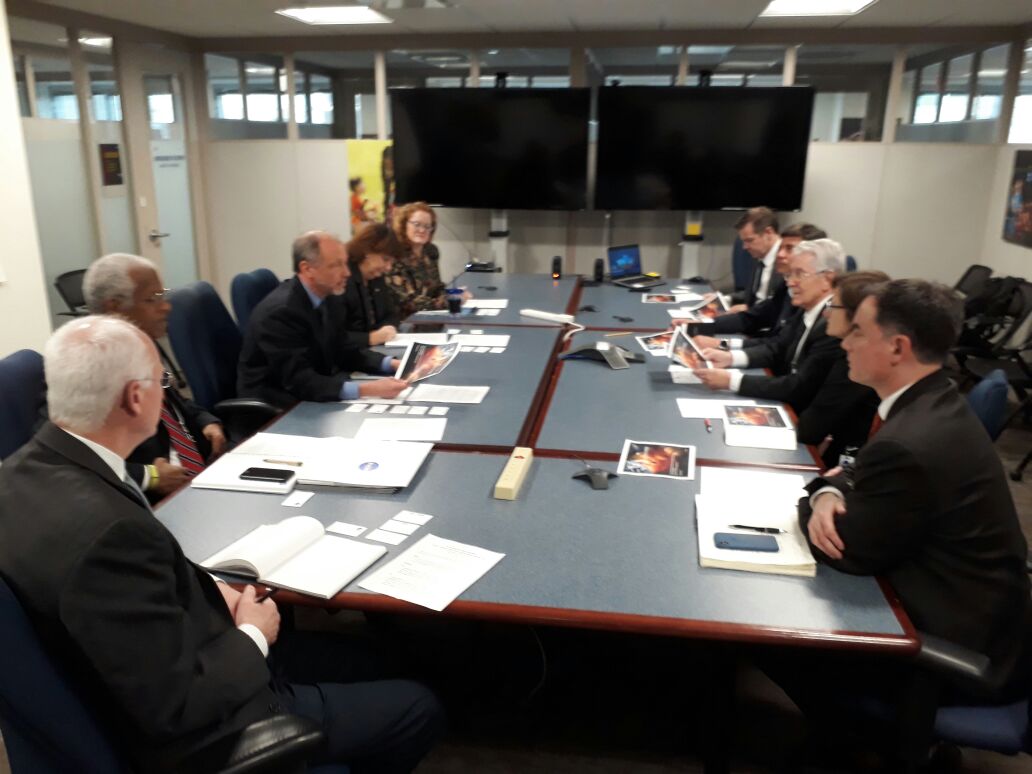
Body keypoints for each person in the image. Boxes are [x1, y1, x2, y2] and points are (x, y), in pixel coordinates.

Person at [0, 316, 445, 773]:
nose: (166, 392)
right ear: (135, 397)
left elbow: (119, 602)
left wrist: (210, 588)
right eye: (162, 382)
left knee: (377, 658)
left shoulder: (18, 475)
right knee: (418, 706)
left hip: (159, 652)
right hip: (213, 724)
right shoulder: (110, 533)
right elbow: (174, 704)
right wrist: (253, 634)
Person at [775, 280, 1031, 764]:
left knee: (770, 634)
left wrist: (816, 498)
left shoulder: (909, 439)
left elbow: (845, 549)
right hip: (987, 617)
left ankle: (850, 743)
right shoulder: (932, 401)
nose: (845, 343)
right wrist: (831, 489)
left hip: (954, 650)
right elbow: (856, 471)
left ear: (897, 347)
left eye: (857, 332)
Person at [695, 239, 877, 465]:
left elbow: (808, 413)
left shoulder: (838, 339)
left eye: (799, 274)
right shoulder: (807, 309)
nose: (790, 282)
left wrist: (731, 380)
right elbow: (778, 348)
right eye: (790, 274)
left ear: (827, 279)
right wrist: (727, 354)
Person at [82, 252, 225, 500]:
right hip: (151, 500)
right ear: (114, 308)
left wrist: (205, 421)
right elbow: (74, 456)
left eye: (163, 295)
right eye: (152, 299)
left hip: (198, 474)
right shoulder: (83, 369)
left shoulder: (141, 344)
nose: (166, 306)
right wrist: (149, 476)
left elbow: (171, 403)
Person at [238, 231, 408, 409]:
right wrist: (367, 390)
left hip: (312, 392)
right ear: (307, 269)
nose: (347, 273)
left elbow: (344, 349)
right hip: (278, 407)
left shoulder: (328, 296)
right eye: (336, 265)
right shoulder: (281, 313)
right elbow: (299, 381)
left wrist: (392, 364)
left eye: (345, 263)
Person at [693, 222, 826, 345]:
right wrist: (698, 326)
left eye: (790, 249)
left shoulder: (823, 313)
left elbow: (778, 346)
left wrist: (722, 344)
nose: (780, 254)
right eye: (780, 248)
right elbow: (753, 318)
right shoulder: (786, 287)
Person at [384, 202, 468, 318]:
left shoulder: (430, 252)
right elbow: (408, 303)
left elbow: (437, 288)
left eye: (427, 226)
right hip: (403, 322)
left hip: (429, 317)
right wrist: (447, 301)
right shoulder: (394, 255)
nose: (422, 230)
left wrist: (454, 294)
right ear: (404, 225)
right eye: (417, 224)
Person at [340, 222, 405, 347]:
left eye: (392, 262)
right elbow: (333, 336)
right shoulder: (343, 279)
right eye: (385, 259)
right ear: (367, 251)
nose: (389, 268)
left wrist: (387, 329)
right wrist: (370, 338)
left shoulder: (376, 277)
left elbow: (391, 314)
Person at [727, 207, 782, 313]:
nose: (744, 247)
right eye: (744, 241)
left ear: (768, 232)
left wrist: (750, 309)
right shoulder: (759, 255)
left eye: (749, 240)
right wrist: (725, 299)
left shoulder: (787, 260)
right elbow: (754, 294)